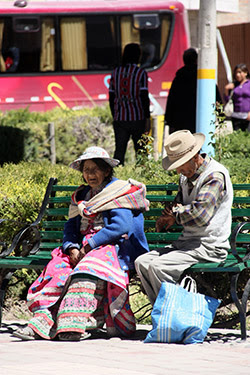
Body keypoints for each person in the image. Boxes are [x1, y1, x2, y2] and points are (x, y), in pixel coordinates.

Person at [13, 146, 149, 341]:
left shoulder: (117, 192)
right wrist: (72, 247)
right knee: (57, 270)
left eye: (95, 169)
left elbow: (121, 226)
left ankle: (73, 326)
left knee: (87, 269)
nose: (90, 174)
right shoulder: (82, 196)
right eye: (86, 170)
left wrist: (88, 247)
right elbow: (70, 228)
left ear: (106, 171)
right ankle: (39, 324)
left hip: (111, 246)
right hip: (83, 247)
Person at [135, 130, 233, 305]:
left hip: (209, 246)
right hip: (186, 244)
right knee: (142, 262)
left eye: (181, 164)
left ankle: (174, 318)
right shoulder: (185, 177)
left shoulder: (214, 176)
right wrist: (170, 215)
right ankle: (167, 315)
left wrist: (177, 214)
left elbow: (200, 216)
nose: (179, 170)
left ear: (195, 157)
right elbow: (177, 206)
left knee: (159, 267)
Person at [109, 43, 151, 165]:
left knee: (119, 152)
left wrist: (115, 115)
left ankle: (115, 177)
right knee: (141, 151)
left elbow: (111, 97)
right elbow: (144, 97)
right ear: (138, 56)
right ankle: (144, 176)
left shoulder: (115, 72)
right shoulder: (141, 73)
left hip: (120, 118)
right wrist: (147, 118)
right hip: (138, 117)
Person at [165, 48, 222, 134]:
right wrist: (221, 117)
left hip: (181, 120)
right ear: (196, 60)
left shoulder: (179, 77)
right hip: (199, 119)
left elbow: (171, 100)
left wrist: (168, 120)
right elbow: (216, 97)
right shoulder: (203, 76)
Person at [224, 63, 250, 131]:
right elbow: (227, 100)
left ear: (246, 73)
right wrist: (226, 90)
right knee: (237, 136)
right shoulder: (234, 85)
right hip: (235, 116)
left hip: (247, 116)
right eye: (236, 73)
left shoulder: (249, 84)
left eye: (240, 72)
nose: (237, 75)